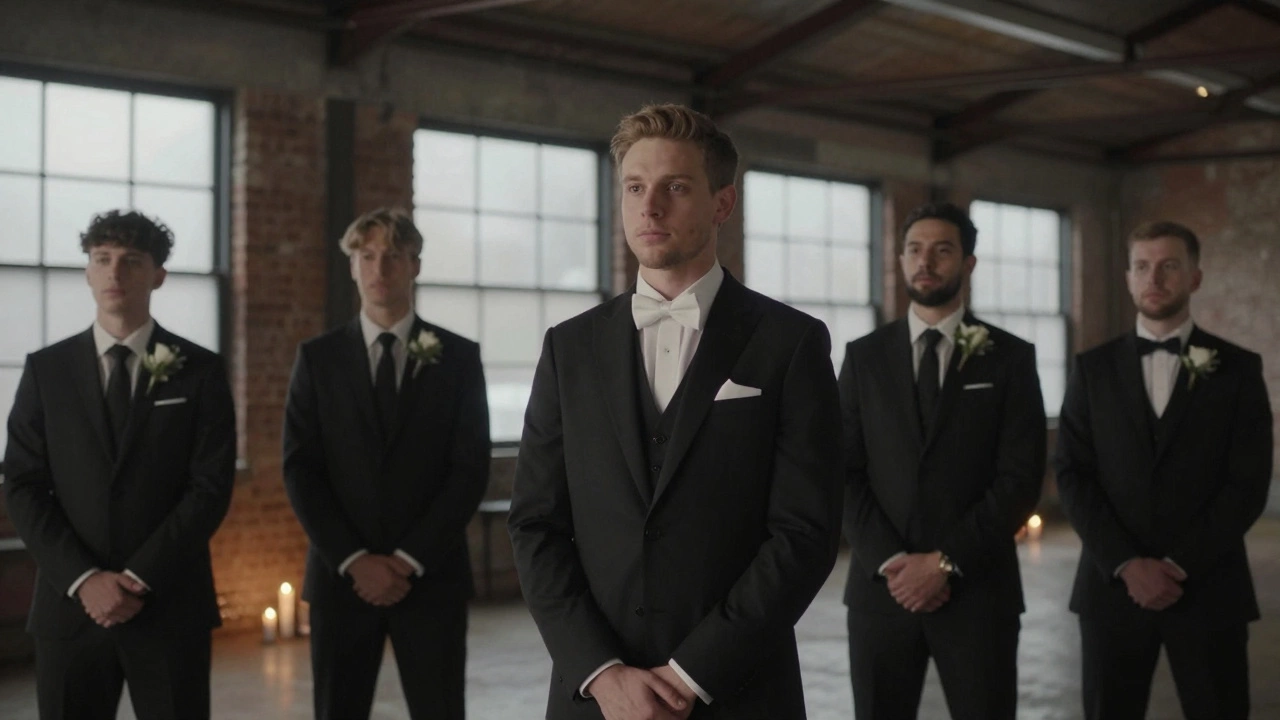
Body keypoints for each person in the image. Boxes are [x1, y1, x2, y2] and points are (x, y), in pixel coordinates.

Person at [508, 103, 843, 720]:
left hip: (740, 690)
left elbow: (805, 532)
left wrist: (692, 673)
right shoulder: (569, 346)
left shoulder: (790, 342)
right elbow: (535, 525)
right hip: (594, 698)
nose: (649, 207)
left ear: (722, 203)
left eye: (675, 187)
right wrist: (603, 675)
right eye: (635, 187)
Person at [4, 210, 236, 720]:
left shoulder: (201, 371)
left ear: (158, 275)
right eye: (102, 259)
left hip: (171, 603)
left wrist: (136, 577)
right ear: (87, 271)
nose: (115, 273)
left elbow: (210, 487)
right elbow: (22, 484)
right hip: (70, 608)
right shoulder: (47, 370)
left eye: (131, 261)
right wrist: (85, 579)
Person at [1055, 220, 1272, 720]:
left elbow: (1247, 484)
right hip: (1110, 589)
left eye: (1169, 266)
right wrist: (1128, 564)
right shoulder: (1093, 369)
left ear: (1195, 277)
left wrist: (1176, 565)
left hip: (1209, 587)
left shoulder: (1238, 369)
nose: (1154, 278)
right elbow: (1071, 473)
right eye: (1142, 267)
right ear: (1129, 278)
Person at [838, 202, 1045, 720]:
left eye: (942, 250)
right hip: (880, 594)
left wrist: (945, 562)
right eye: (914, 250)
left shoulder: (1010, 357)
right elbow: (841, 470)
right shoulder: (863, 356)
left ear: (968, 263)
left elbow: (1019, 478)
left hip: (980, 594)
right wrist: (893, 563)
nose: (925, 261)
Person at [282, 208, 490, 720]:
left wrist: (405, 559)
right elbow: (300, 469)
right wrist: (355, 560)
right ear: (352, 266)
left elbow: (468, 469)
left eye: (393, 257)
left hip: (430, 574)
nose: (379, 269)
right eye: (367, 256)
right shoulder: (317, 359)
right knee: (338, 709)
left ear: (415, 265)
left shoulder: (458, 358)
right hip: (340, 577)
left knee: (440, 709)